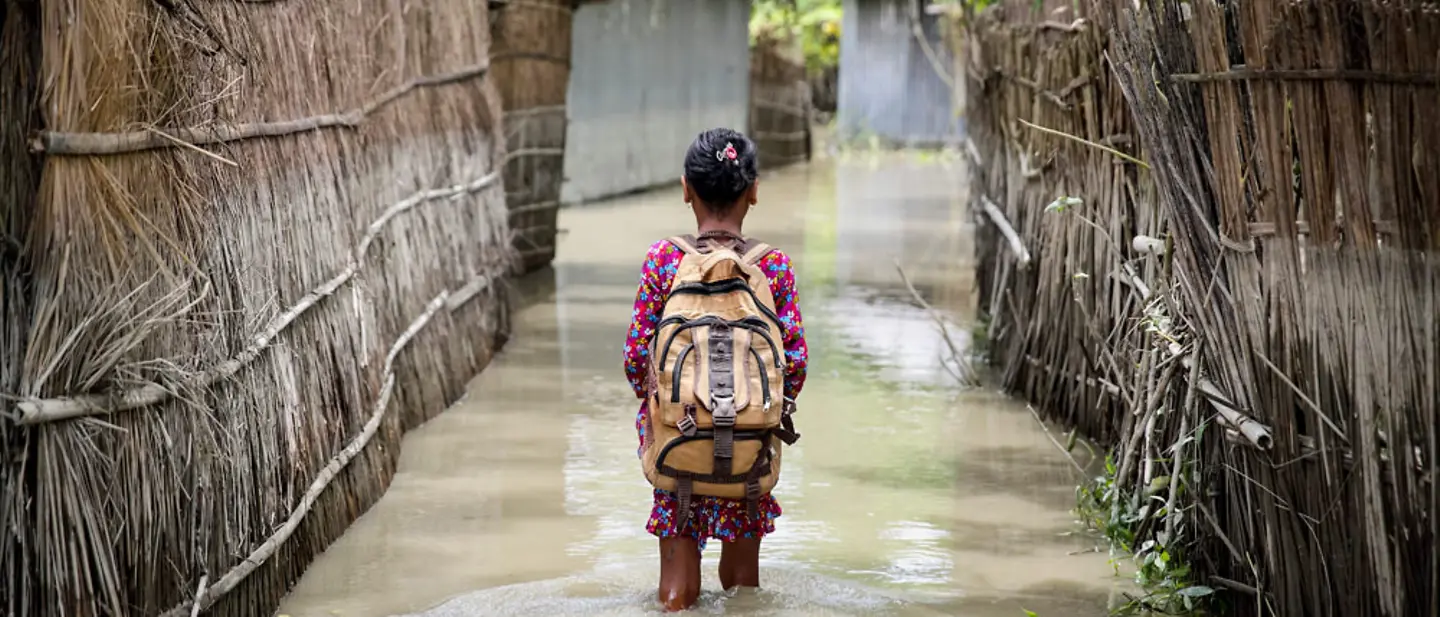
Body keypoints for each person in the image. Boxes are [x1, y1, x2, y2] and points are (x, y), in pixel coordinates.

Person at [622, 128, 809, 611]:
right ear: (754, 191)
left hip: (677, 439)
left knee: (677, 589)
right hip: (749, 445)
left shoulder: (665, 261)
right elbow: (797, 366)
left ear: (686, 189)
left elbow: (635, 359)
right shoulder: (774, 268)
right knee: (743, 587)